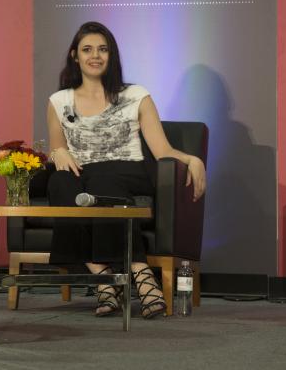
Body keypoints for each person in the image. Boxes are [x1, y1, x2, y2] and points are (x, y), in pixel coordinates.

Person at [46, 21, 207, 319]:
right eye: (87, 49)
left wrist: (193, 159)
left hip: (129, 172)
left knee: (101, 178)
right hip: (85, 175)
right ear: (74, 56)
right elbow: (58, 148)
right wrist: (58, 151)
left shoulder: (136, 95)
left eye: (103, 49)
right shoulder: (59, 101)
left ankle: (135, 271)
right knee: (58, 181)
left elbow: (163, 150)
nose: (96, 55)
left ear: (112, 55)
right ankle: (105, 276)